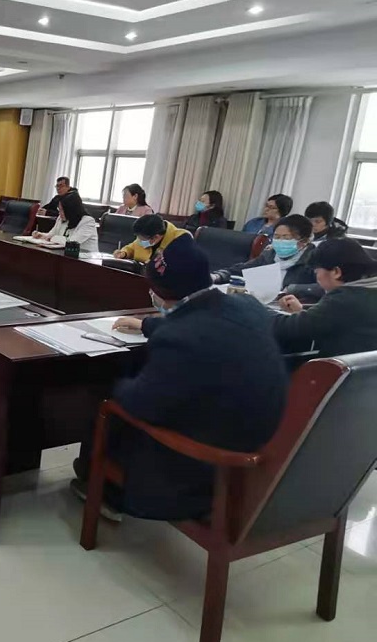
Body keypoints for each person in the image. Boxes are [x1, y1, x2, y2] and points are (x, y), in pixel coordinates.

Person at [72, 238, 288, 521]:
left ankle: (106, 490)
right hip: (257, 446)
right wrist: (148, 325)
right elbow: (207, 325)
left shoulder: (180, 338)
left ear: (159, 292)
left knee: (105, 401)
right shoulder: (248, 306)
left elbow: (141, 403)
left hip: (204, 465)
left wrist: (114, 384)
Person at [274, 238, 377, 358]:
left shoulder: (345, 298)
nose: (317, 279)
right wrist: (301, 312)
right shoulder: (368, 290)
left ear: (336, 272)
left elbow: (290, 328)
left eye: (317, 272)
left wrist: (259, 311)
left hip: (337, 365)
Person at [211, 215, 316, 297]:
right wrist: (217, 276)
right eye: (277, 237)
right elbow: (243, 269)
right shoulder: (270, 255)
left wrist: (293, 289)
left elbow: (321, 287)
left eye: (286, 238)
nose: (280, 241)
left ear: (304, 241)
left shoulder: (313, 259)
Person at [32, 191, 99, 252]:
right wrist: (41, 235)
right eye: (59, 209)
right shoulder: (61, 218)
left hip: (84, 258)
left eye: (62, 210)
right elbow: (50, 235)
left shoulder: (88, 222)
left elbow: (71, 242)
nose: (59, 213)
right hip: (63, 254)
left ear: (70, 210)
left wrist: (51, 238)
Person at [113, 214, 189, 264]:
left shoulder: (181, 238)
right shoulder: (145, 232)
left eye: (142, 239)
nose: (139, 241)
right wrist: (124, 253)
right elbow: (132, 248)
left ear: (156, 237)